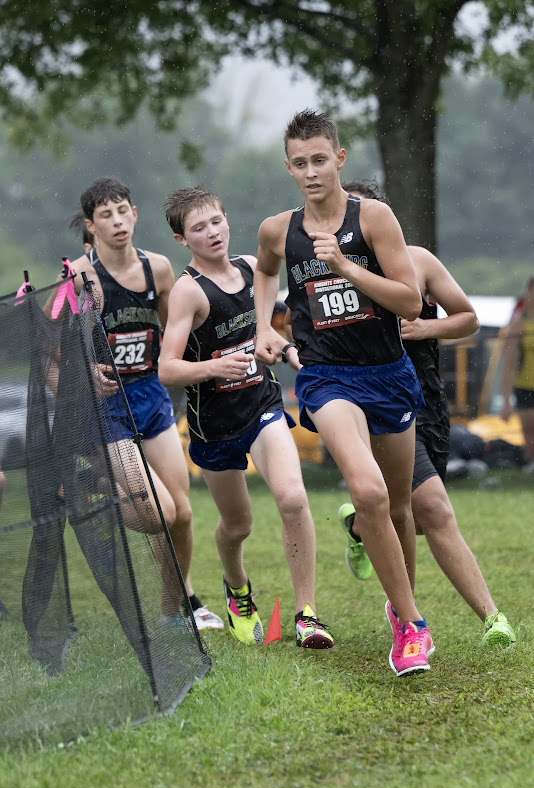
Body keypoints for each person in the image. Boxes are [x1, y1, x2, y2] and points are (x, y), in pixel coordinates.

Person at [254, 109, 431, 676]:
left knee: (399, 506)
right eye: (299, 163)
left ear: (340, 159)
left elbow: (410, 301)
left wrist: (348, 268)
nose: (310, 172)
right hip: (326, 378)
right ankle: (411, 628)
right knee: (369, 493)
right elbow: (263, 271)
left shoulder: (374, 218)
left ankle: (401, 604)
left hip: (387, 373)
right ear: (289, 167)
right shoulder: (279, 229)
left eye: (319, 160)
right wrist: (263, 324)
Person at [337, 180, 515, 648]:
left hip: (429, 400)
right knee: (432, 506)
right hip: (381, 404)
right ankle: (480, 618)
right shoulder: (331, 276)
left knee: (407, 512)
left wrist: (423, 327)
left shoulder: (419, 262)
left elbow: (468, 318)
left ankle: (360, 524)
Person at [158, 186, 333, 649]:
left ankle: (307, 615)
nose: (211, 232)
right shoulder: (188, 293)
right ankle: (237, 591)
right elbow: (167, 367)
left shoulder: (252, 269)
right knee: (238, 526)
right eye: (198, 228)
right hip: (215, 425)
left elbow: (273, 326)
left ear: (225, 218)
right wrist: (215, 366)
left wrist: (287, 347)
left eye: (216, 221)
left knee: (293, 499)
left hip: (262, 405)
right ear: (182, 239)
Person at [64, 179, 223, 631]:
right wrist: (85, 372)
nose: (117, 222)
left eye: (122, 211)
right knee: (158, 513)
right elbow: (53, 348)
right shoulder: (79, 275)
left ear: (135, 213)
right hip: (104, 407)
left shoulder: (160, 269)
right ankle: (88, 499)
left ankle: (174, 615)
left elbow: (180, 331)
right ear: (91, 227)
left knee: (183, 514)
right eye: (105, 216)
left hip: (150, 396)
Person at [500, 276, 534, 473]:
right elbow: (508, 365)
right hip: (525, 385)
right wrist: (505, 402)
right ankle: (531, 462)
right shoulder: (520, 324)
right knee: (529, 428)